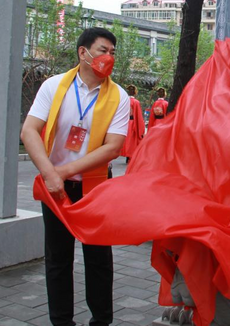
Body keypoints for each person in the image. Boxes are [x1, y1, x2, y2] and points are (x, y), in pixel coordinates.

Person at [20, 27, 129, 326]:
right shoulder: (54, 86)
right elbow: (29, 130)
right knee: (57, 259)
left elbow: (113, 147)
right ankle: (62, 322)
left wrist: (63, 172)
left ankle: (101, 321)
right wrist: (49, 174)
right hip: (54, 187)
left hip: (94, 188)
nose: (109, 57)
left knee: (98, 260)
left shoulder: (118, 95)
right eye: (102, 50)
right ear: (83, 53)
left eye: (112, 52)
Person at [120, 84, 144, 164]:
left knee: (126, 140)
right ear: (135, 93)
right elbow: (138, 116)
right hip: (132, 122)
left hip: (124, 122)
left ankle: (127, 155)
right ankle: (130, 156)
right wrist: (141, 129)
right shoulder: (136, 102)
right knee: (132, 141)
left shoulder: (124, 100)